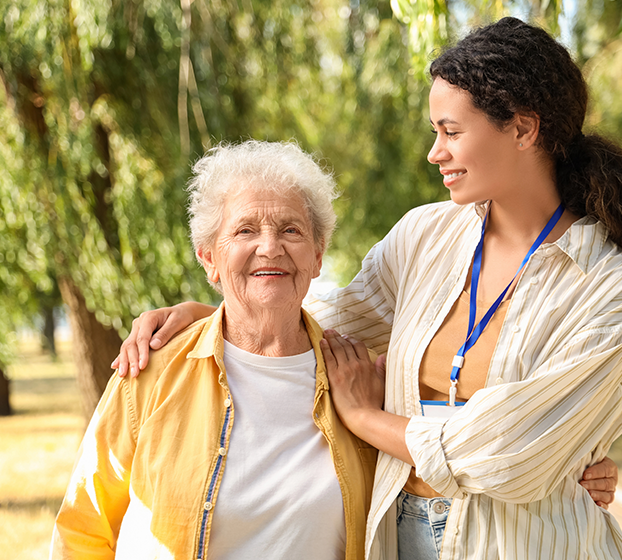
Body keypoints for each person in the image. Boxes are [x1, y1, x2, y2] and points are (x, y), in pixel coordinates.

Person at [112, 17, 622, 559]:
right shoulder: (426, 234)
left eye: (451, 131)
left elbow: (512, 456)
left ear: (522, 128)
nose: (433, 151)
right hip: (398, 537)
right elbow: (326, 331)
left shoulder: (609, 285)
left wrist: (366, 419)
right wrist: (219, 316)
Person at [51, 140, 379, 560]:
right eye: (245, 230)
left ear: (317, 256)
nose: (270, 247)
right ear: (209, 259)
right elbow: (83, 529)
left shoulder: (357, 379)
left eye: (290, 229)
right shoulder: (151, 370)